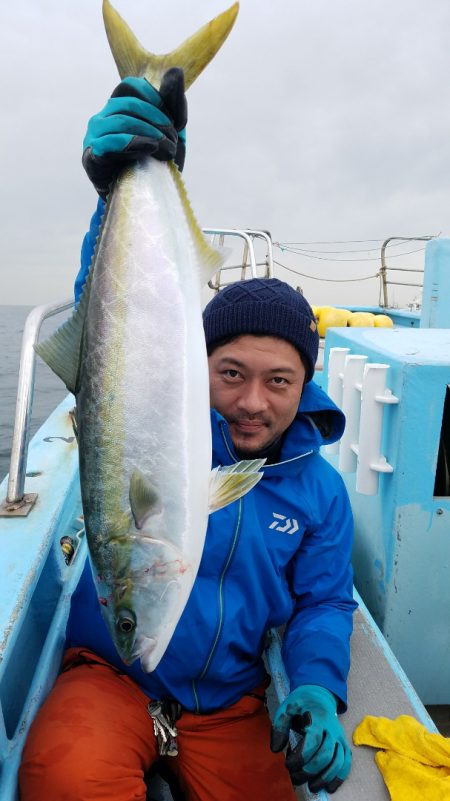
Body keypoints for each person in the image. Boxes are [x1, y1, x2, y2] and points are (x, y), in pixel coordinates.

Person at [19, 71, 357, 801]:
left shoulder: (320, 493)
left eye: (279, 381)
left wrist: (321, 688)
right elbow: (113, 336)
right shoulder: (159, 430)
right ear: (193, 365)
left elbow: (326, 603)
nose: (251, 402)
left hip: (229, 703)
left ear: (306, 385)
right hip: (110, 678)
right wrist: (116, 188)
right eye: (230, 372)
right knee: (63, 780)